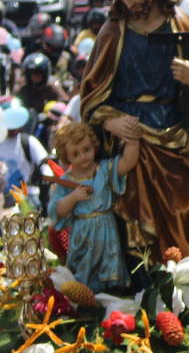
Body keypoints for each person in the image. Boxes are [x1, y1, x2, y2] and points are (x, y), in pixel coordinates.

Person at [80, 0, 189, 258]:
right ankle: (139, 290)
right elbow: (91, 96)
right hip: (128, 136)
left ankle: (186, 280)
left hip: (174, 137)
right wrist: (109, 123)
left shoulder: (179, 22)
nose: (129, 2)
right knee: (128, 221)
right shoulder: (114, 31)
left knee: (182, 209)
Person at [49, 120, 140, 294]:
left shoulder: (104, 169)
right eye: (75, 154)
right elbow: (56, 210)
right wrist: (73, 198)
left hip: (107, 230)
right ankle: (86, 301)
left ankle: (113, 297)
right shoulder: (66, 181)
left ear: (93, 145)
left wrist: (132, 140)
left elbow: (127, 163)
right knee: (84, 275)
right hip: (82, 235)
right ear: (66, 156)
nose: (83, 156)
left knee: (110, 271)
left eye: (86, 149)